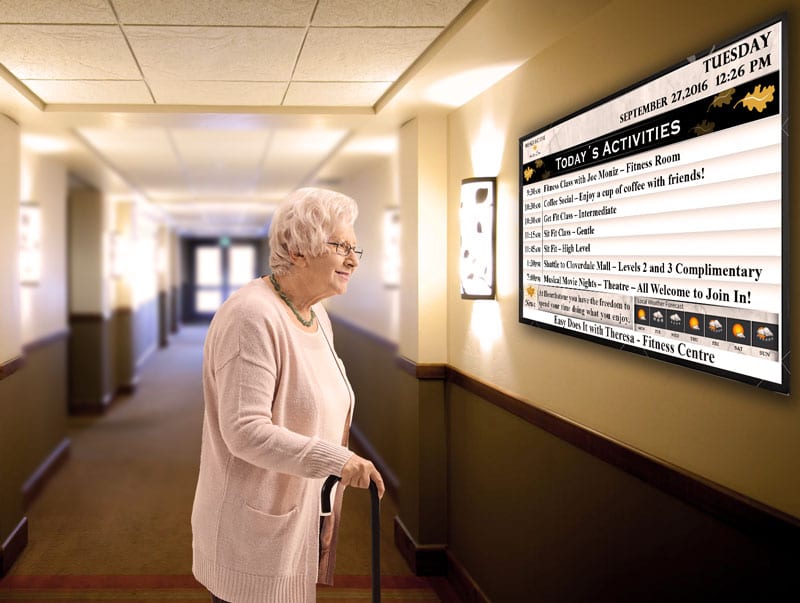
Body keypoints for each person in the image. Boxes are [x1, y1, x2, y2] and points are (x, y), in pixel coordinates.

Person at [191, 187, 385, 603]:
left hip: (300, 515)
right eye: (340, 246)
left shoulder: (316, 315)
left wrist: (326, 494)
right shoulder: (251, 315)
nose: (353, 259)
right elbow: (244, 431)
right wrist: (339, 461)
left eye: (356, 248)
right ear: (298, 249)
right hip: (250, 533)